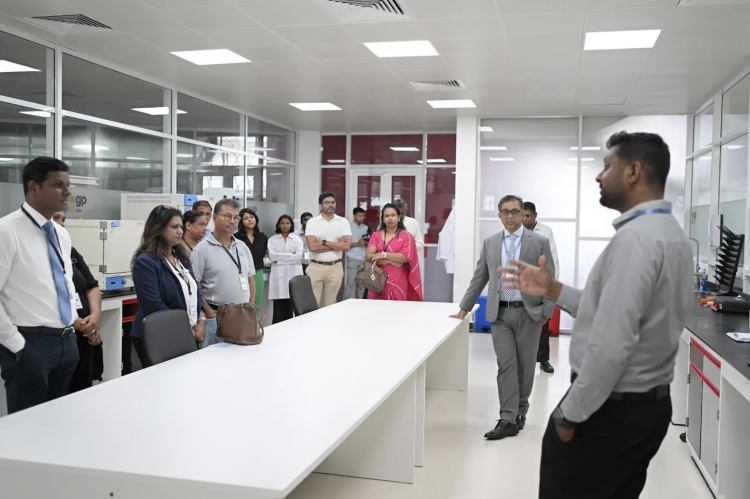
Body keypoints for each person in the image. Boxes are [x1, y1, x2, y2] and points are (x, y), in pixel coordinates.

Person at [501, 132, 692, 499]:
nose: (599, 175)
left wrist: (569, 414)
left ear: (633, 171)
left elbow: (612, 345)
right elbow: (611, 310)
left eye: (608, 166)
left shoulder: (637, 240)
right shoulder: (669, 233)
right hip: (646, 406)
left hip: (610, 410)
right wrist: (553, 289)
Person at [451, 194, 555, 441]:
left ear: (522, 214)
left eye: (515, 211)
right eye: (505, 212)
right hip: (500, 314)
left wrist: (546, 312)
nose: (510, 216)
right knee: (506, 364)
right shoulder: (491, 242)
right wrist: (464, 308)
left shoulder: (539, 241)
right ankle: (508, 418)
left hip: (529, 313)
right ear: (499, 215)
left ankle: (520, 410)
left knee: (525, 366)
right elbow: (480, 277)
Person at [0, 157, 80, 414]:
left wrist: (73, 321)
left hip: (66, 342)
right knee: (27, 427)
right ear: (33, 187)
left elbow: (64, 282)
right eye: (58, 185)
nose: (67, 192)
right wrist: (16, 343)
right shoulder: (6, 231)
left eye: (67, 185)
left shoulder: (60, 233)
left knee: (57, 421)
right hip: (29, 344)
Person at [131, 205, 206, 365]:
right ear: (158, 228)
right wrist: (185, 329)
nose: (180, 231)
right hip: (160, 334)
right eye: (174, 227)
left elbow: (194, 291)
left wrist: (202, 320)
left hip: (187, 333)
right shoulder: (146, 261)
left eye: (180, 227)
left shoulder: (181, 257)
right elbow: (153, 304)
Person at [192, 199, 256, 347]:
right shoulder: (202, 249)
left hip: (243, 315)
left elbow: (250, 280)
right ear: (214, 218)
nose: (232, 221)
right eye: (227, 216)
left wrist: (250, 308)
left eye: (236, 218)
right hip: (216, 316)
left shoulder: (242, 246)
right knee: (214, 358)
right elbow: (195, 286)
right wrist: (209, 313)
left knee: (242, 356)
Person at [53, 212, 103, 393]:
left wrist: (95, 317)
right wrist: (78, 323)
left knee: (82, 390)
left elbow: (91, 286)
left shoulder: (70, 251)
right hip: (60, 333)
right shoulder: (35, 254)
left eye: (63, 219)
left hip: (84, 333)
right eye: (56, 218)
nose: (61, 224)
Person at [522, 201, 560, 375]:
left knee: (542, 321)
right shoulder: (516, 231)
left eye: (528, 216)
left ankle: (543, 359)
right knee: (521, 321)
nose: (525, 219)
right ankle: (522, 359)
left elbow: (553, 258)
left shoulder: (545, 232)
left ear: (535, 215)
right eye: (522, 215)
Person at [365, 204, 423, 302]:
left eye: (393, 215)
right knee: (375, 308)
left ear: (399, 217)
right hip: (377, 277)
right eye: (387, 216)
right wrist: (390, 261)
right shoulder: (376, 235)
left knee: (398, 308)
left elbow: (405, 257)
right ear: (383, 219)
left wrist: (382, 255)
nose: (390, 218)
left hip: (398, 279)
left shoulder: (406, 236)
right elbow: (369, 257)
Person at [305, 192, 352, 307]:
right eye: (327, 202)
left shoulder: (343, 222)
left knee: (330, 306)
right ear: (320, 205)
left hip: (335, 267)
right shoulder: (312, 222)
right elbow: (313, 247)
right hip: (315, 267)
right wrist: (337, 244)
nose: (330, 205)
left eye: (333, 202)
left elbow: (346, 246)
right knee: (311, 305)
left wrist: (324, 242)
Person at [268, 215, 304, 324]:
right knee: (278, 310)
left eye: (287, 223)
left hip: (293, 274)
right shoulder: (272, 240)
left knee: (292, 305)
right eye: (282, 223)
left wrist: (279, 260)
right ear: (278, 225)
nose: (285, 225)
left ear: (291, 225)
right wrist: (290, 255)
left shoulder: (296, 239)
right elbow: (272, 256)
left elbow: (298, 256)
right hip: (278, 276)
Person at [235, 208, 268, 308]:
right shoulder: (236, 238)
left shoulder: (263, 237)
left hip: (257, 272)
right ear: (241, 222)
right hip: (241, 274)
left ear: (256, 219)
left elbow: (262, 254)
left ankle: (255, 318)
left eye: (251, 217)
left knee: (256, 302)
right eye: (245, 218)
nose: (249, 220)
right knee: (242, 302)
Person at [392, 199, 425, 285]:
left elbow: (420, 244)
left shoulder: (413, 223)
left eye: (402, 213)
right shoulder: (385, 223)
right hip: (390, 264)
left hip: (409, 264)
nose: (400, 216)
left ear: (406, 211)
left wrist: (406, 246)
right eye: (397, 213)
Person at [344, 207, 369, 299]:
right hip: (353, 258)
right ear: (354, 216)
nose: (362, 218)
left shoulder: (366, 228)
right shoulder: (348, 228)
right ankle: (345, 304)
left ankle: (360, 304)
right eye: (360, 216)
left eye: (363, 216)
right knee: (350, 283)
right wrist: (357, 243)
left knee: (362, 285)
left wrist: (368, 243)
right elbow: (344, 244)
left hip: (364, 259)